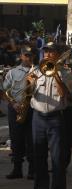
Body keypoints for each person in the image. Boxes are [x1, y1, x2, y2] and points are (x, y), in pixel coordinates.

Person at [29, 42, 72, 189]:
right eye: (45, 52)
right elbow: (28, 93)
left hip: (56, 118)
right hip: (38, 118)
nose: (47, 55)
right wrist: (30, 82)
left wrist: (56, 76)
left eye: (50, 52)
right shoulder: (35, 70)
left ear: (57, 54)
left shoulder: (65, 72)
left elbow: (65, 94)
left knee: (57, 159)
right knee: (38, 158)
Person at [1, 46, 35, 179]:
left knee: (32, 140)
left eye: (31, 55)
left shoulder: (38, 71)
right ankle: (17, 169)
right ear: (21, 56)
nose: (29, 58)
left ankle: (32, 169)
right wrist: (13, 104)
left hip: (32, 108)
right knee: (16, 139)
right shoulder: (13, 72)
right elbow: (5, 91)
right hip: (16, 108)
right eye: (26, 55)